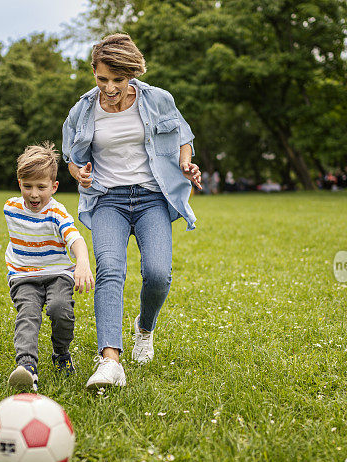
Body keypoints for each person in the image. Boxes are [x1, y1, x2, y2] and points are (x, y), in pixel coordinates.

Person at [61, 33, 201, 390]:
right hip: (108, 198)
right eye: (102, 79)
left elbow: (183, 135)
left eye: (118, 80)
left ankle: (145, 327)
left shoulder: (157, 99)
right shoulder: (83, 110)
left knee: (158, 274)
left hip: (153, 196)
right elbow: (72, 160)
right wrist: (82, 174)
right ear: (94, 73)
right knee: (109, 269)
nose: (109, 87)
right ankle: (109, 361)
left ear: (131, 75)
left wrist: (186, 164)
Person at [5, 143, 95, 391]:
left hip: (57, 275)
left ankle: (61, 353)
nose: (34, 194)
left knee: (59, 310)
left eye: (41, 187)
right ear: (19, 183)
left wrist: (83, 263)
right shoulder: (10, 208)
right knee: (28, 315)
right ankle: (27, 368)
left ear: (54, 187)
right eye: (27, 186)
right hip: (24, 277)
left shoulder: (57, 212)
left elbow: (75, 238)